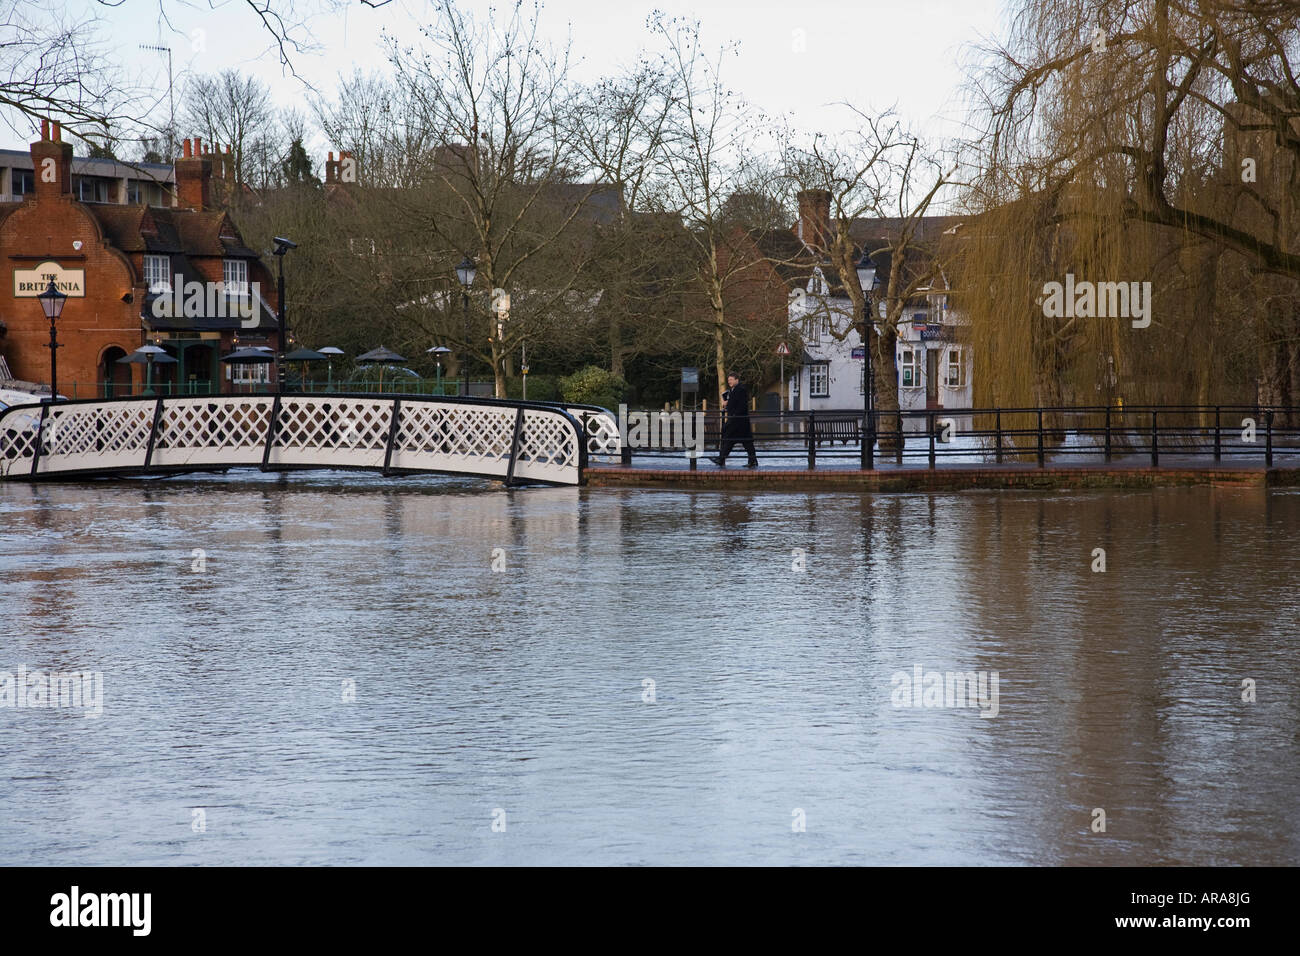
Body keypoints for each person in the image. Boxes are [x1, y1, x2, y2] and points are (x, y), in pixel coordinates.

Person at [713, 371, 758, 467]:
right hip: (738, 421)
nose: (729, 381)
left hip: (738, 420)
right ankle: (752, 461)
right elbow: (735, 403)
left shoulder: (740, 390)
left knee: (733, 440)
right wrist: (727, 404)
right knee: (745, 442)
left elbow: (741, 405)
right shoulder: (733, 390)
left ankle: (721, 459)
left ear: (736, 380)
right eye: (728, 380)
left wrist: (731, 412)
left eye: (731, 380)